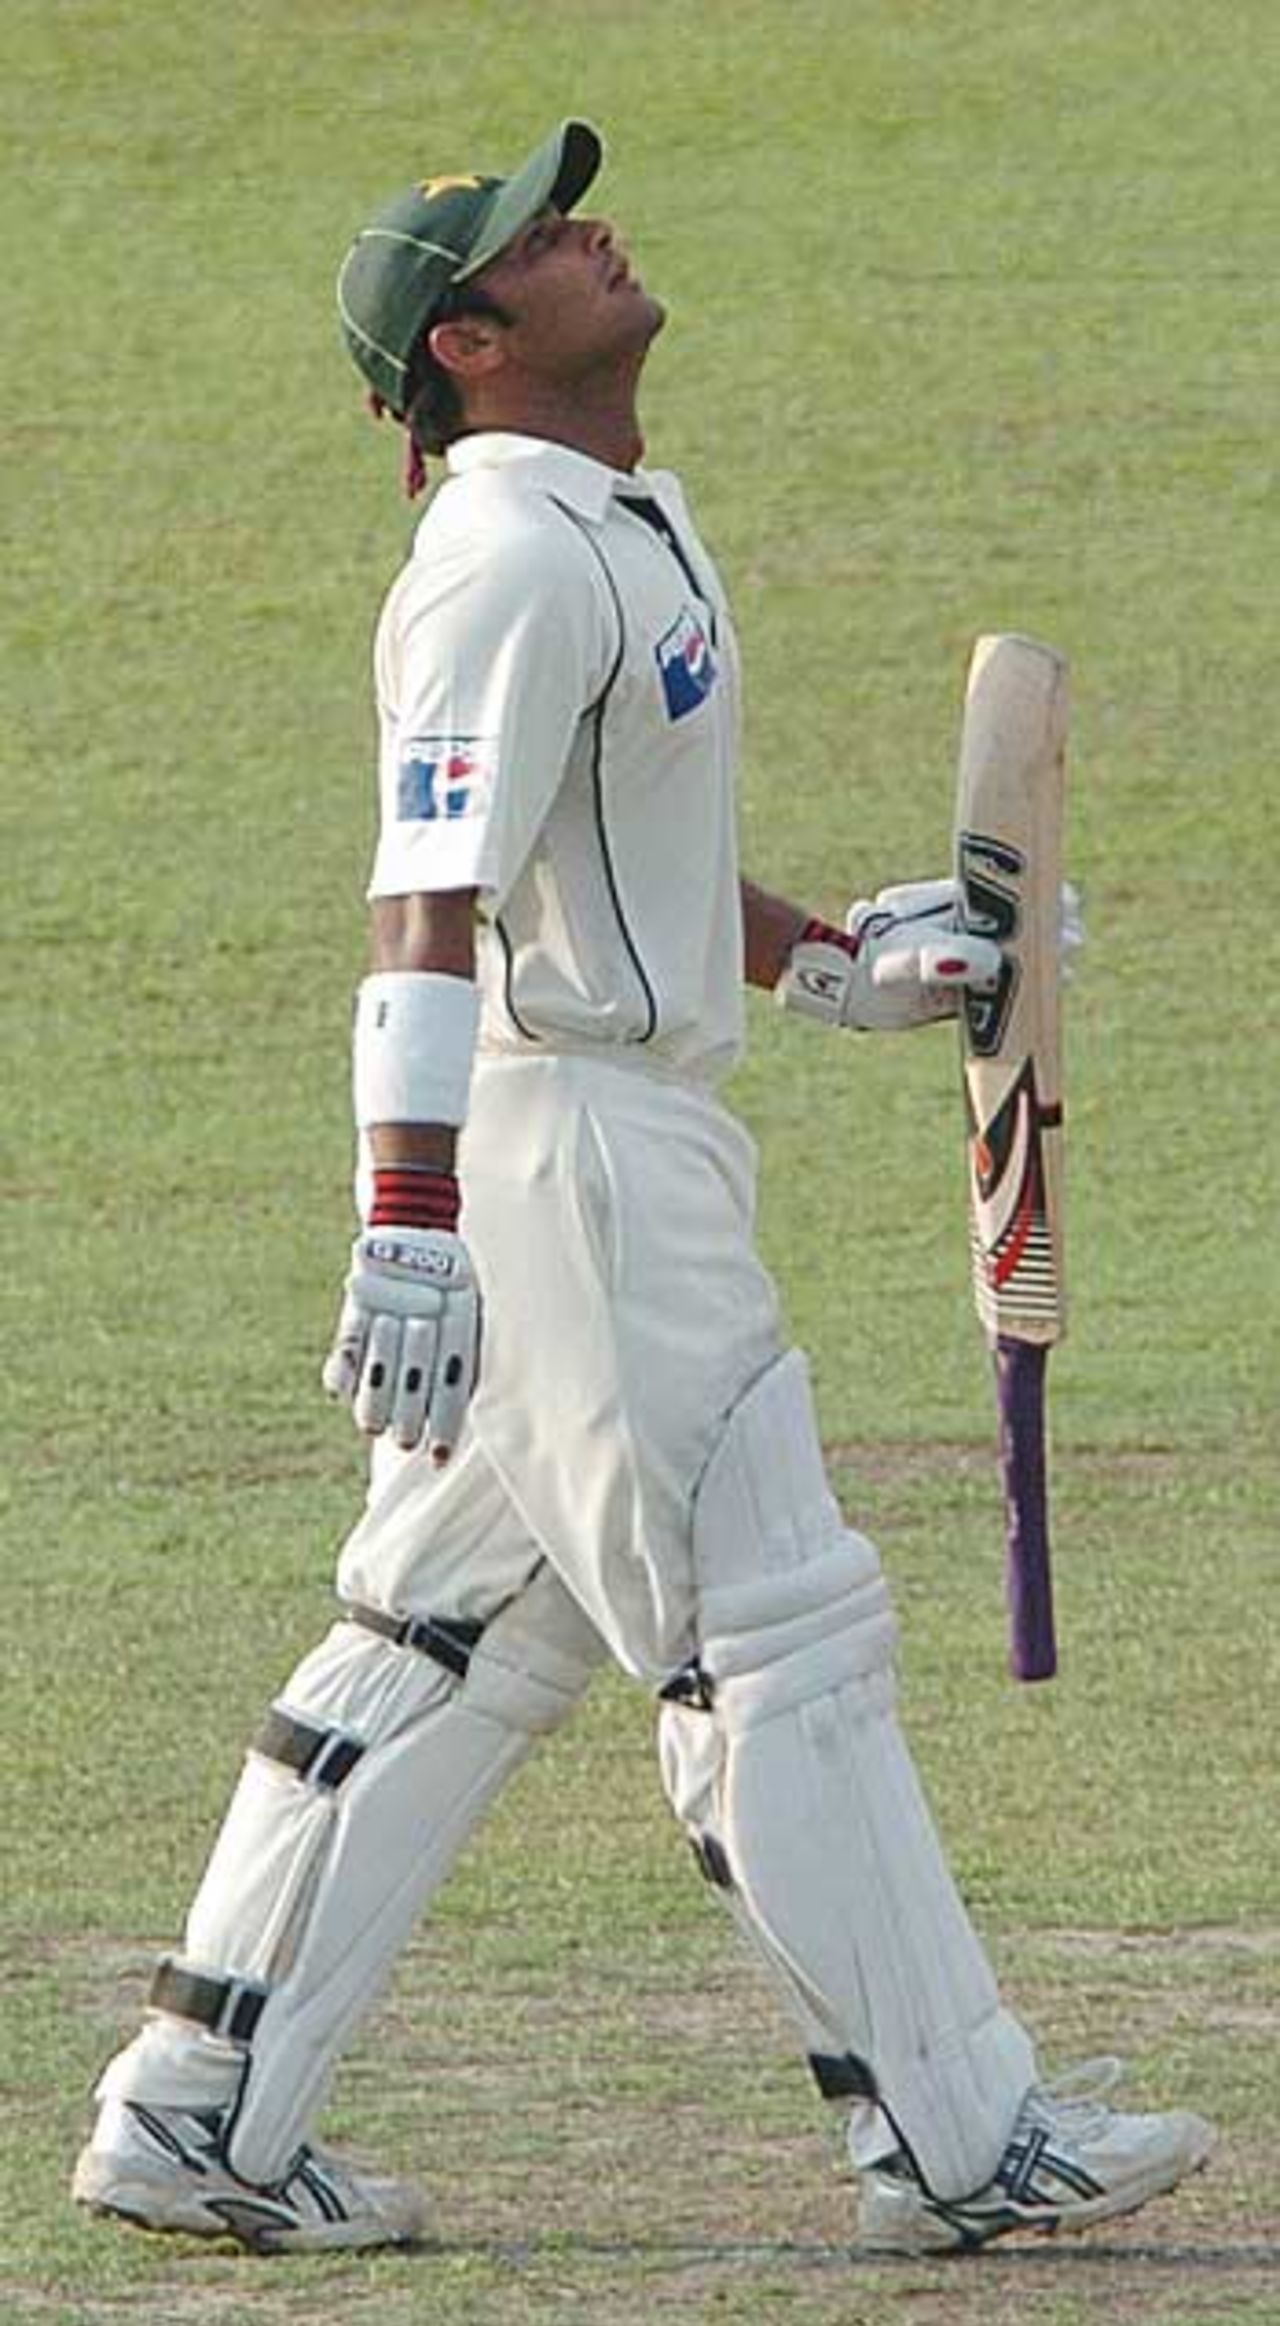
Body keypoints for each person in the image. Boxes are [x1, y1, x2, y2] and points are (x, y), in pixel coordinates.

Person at [73, 119, 1212, 2257]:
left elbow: (626, 853)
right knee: (776, 1632)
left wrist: (824, 960)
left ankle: (200, 2107)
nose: (589, 231)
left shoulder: (605, 513)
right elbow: (431, 899)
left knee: (440, 1638)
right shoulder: (503, 561)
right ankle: (954, 2138)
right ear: (476, 340)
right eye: (536, 239)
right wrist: (399, 1207)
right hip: (569, 1165)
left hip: (611, 1128)